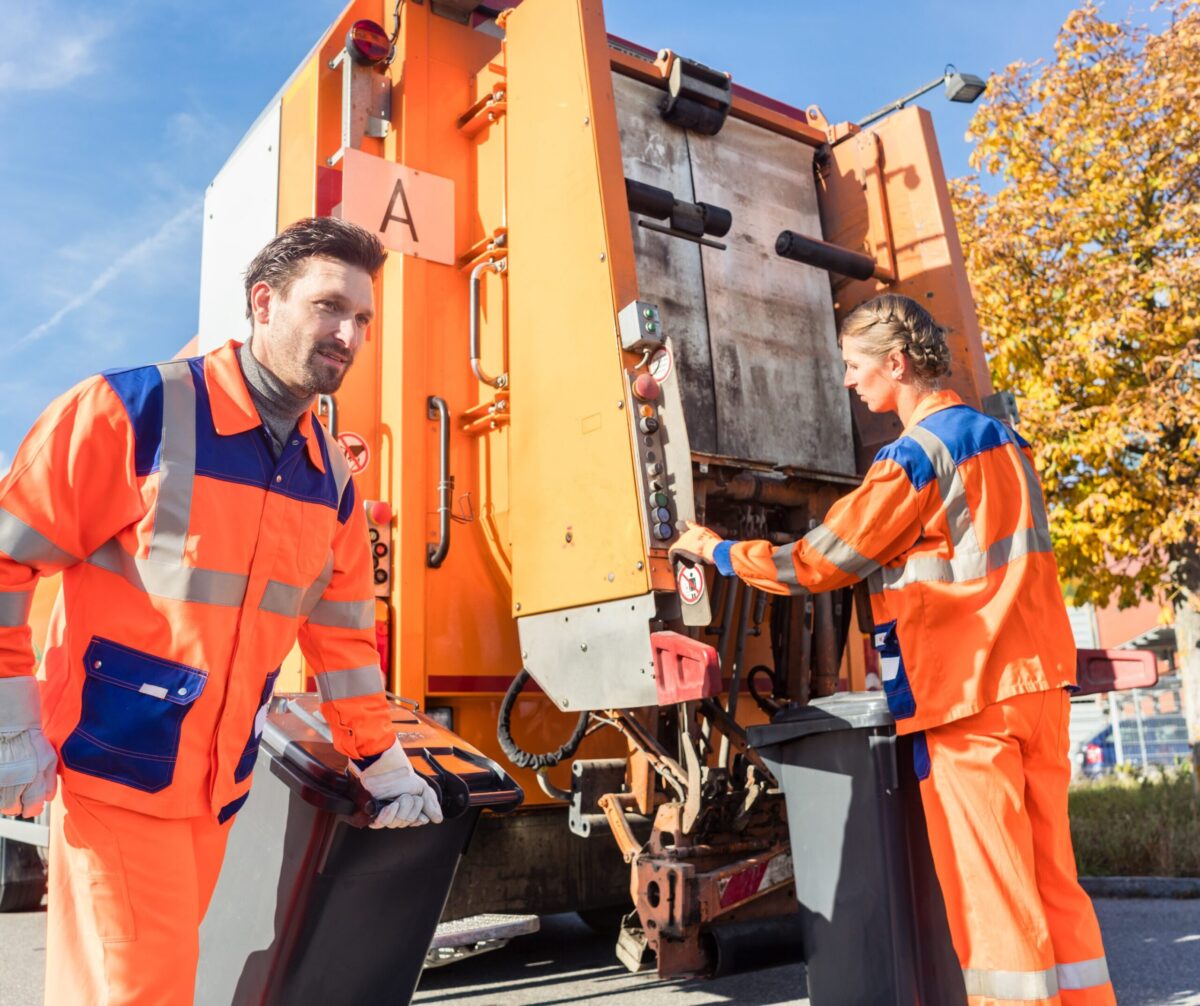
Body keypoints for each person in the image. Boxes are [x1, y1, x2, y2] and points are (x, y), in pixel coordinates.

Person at [0, 216, 442, 1005]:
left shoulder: (331, 480)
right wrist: (9, 722)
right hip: (117, 776)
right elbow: (6, 556)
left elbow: (344, 645)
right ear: (264, 302)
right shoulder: (132, 412)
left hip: (217, 794)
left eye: (362, 318)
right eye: (329, 307)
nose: (348, 334)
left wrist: (381, 760)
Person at [671, 293, 1114, 1005]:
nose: (849, 380)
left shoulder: (915, 457)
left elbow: (818, 561)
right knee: (1054, 883)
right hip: (1039, 687)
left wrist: (720, 552)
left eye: (855, 364)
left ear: (897, 363)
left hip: (970, 702)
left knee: (994, 897)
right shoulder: (1007, 442)